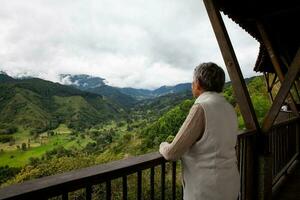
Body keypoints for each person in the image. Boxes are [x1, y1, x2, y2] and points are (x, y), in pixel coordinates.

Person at [159, 62, 240, 200]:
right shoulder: (229, 108)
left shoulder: (201, 108)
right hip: (230, 184)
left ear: (197, 83)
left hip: (206, 191)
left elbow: (172, 153)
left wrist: (163, 145)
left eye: (192, 81)